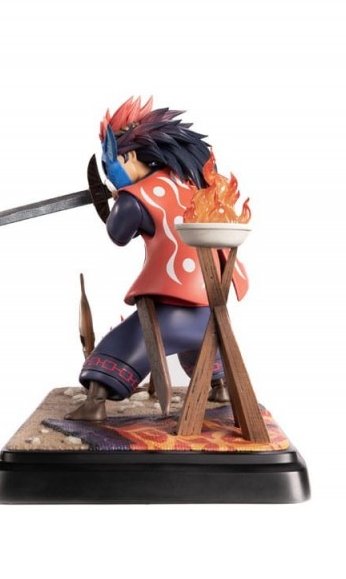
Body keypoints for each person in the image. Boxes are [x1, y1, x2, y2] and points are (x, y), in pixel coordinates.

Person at [66, 96, 248, 421]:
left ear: (129, 156)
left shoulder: (137, 197)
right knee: (203, 344)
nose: (111, 174)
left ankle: (95, 403)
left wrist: (122, 199)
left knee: (122, 343)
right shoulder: (193, 185)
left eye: (111, 166)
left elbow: (118, 235)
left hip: (169, 312)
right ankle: (218, 385)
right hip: (212, 309)